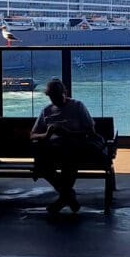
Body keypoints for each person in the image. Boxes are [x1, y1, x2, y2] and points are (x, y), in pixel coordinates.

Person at [30, 78, 101, 214]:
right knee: (46, 164)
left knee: (66, 160)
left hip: (74, 148)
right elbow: (32, 135)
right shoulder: (46, 111)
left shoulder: (78, 106)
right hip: (54, 150)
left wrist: (68, 133)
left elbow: (91, 131)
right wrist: (46, 134)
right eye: (52, 97)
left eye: (56, 96)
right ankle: (68, 196)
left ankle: (65, 197)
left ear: (64, 93)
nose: (54, 99)